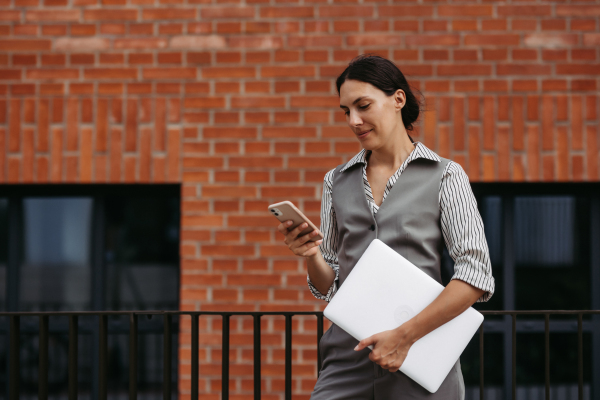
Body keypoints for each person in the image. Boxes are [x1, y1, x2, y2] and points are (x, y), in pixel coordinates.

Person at [276, 54, 495, 399]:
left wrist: (404, 336)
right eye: (346, 111)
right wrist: (311, 254)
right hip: (347, 361)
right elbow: (329, 286)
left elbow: (475, 276)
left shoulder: (446, 176)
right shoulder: (336, 181)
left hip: (420, 357)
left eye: (363, 105)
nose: (354, 120)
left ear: (398, 99)